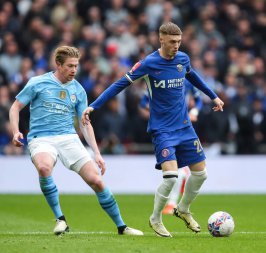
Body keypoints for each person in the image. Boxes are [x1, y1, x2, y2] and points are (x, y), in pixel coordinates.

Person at [81, 22, 224, 237]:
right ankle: (156, 218)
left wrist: (213, 96)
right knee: (171, 177)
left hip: (185, 127)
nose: (176, 46)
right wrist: (94, 105)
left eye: (179, 41)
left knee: (201, 173)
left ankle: (183, 209)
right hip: (162, 129)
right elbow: (119, 84)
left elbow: (192, 76)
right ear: (162, 39)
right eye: (173, 42)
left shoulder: (183, 59)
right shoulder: (148, 63)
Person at [9, 46, 143, 236]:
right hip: (42, 138)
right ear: (58, 64)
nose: (74, 70)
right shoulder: (37, 83)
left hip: (69, 138)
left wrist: (96, 153)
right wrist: (15, 132)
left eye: (76, 66)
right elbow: (15, 107)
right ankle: (60, 219)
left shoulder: (78, 89)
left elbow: (85, 123)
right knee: (44, 168)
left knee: (96, 180)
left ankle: (122, 226)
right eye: (70, 66)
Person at [138, 80, 202, 215]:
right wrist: (158, 110)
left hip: (184, 128)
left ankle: (173, 205)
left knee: (186, 172)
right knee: (177, 172)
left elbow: (198, 100)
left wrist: (194, 112)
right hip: (165, 129)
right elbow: (143, 102)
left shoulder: (188, 81)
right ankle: (171, 205)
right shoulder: (160, 80)